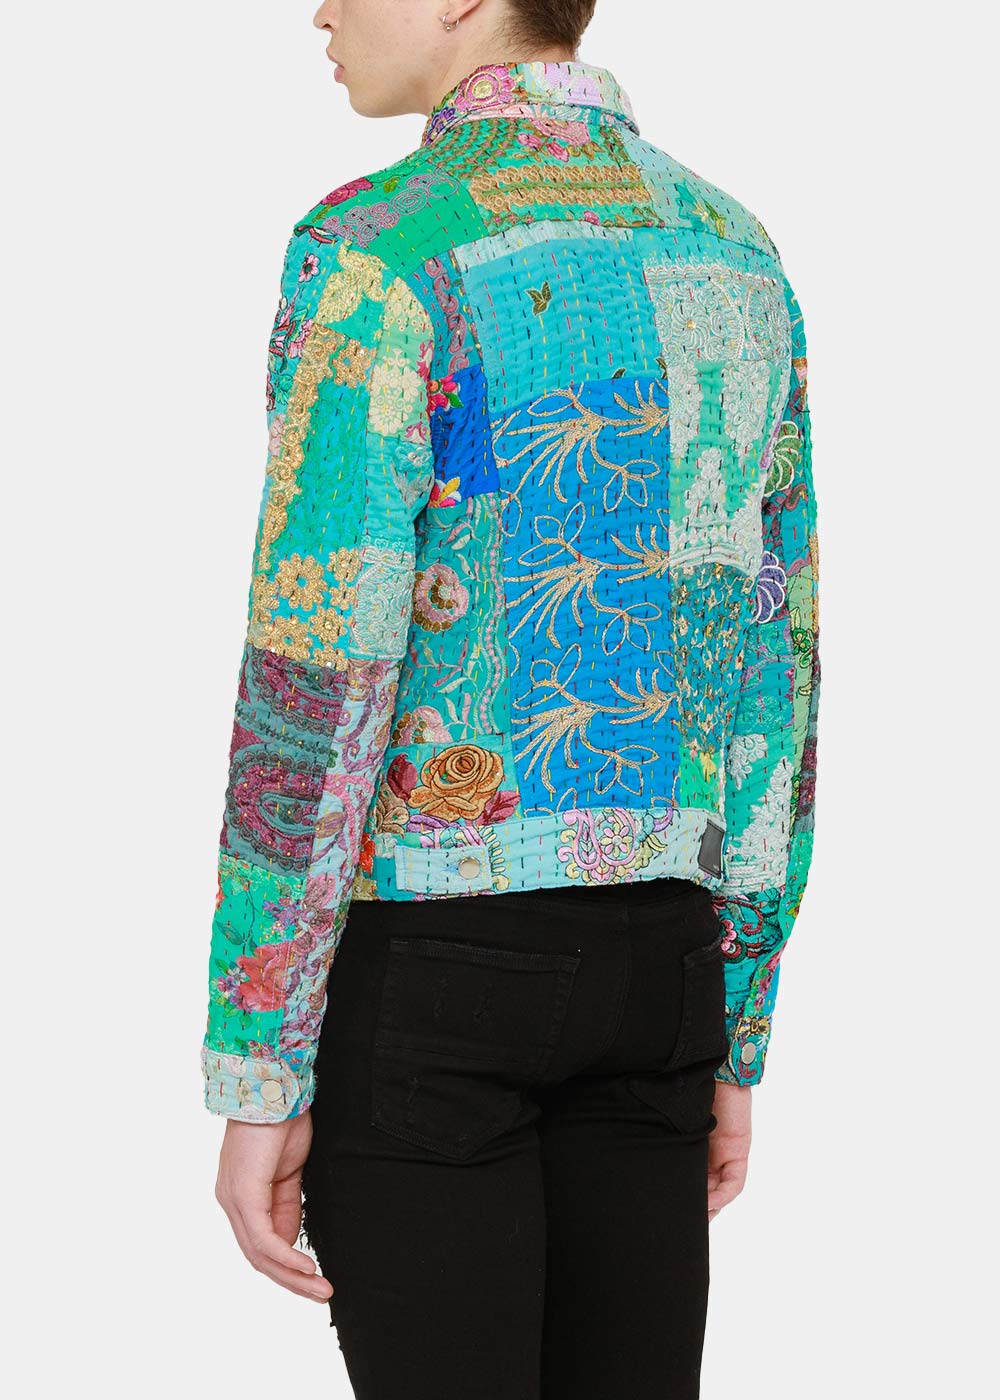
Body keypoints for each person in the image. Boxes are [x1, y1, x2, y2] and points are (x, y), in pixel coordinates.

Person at [202, 1, 821, 1395]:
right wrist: (737, 1018)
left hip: (436, 975)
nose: (322, 9)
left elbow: (319, 670)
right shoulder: (735, 248)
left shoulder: (378, 251)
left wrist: (258, 1065)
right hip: (664, 971)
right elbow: (774, 660)